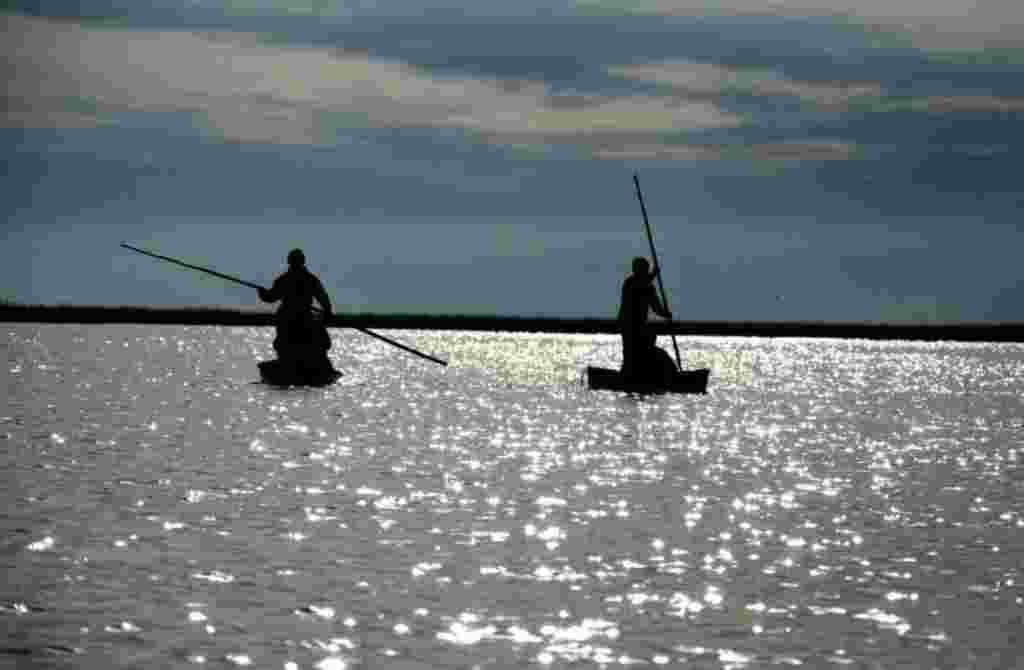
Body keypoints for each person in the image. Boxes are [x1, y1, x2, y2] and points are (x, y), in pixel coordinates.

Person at [258, 249, 333, 371]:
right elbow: (323, 298)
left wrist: (262, 294)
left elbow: (270, 297)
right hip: (298, 317)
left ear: (289, 262)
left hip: (293, 317)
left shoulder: (284, 279)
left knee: (318, 339)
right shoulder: (310, 279)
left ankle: (296, 363)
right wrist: (328, 311)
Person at [618, 256, 674, 384]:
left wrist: (666, 314)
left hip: (641, 325)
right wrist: (653, 275)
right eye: (638, 268)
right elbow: (639, 286)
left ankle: (646, 374)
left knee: (649, 345)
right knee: (630, 352)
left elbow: (656, 308)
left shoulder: (649, 288)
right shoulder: (630, 283)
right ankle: (627, 375)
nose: (640, 270)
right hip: (628, 325)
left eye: (643, 268)